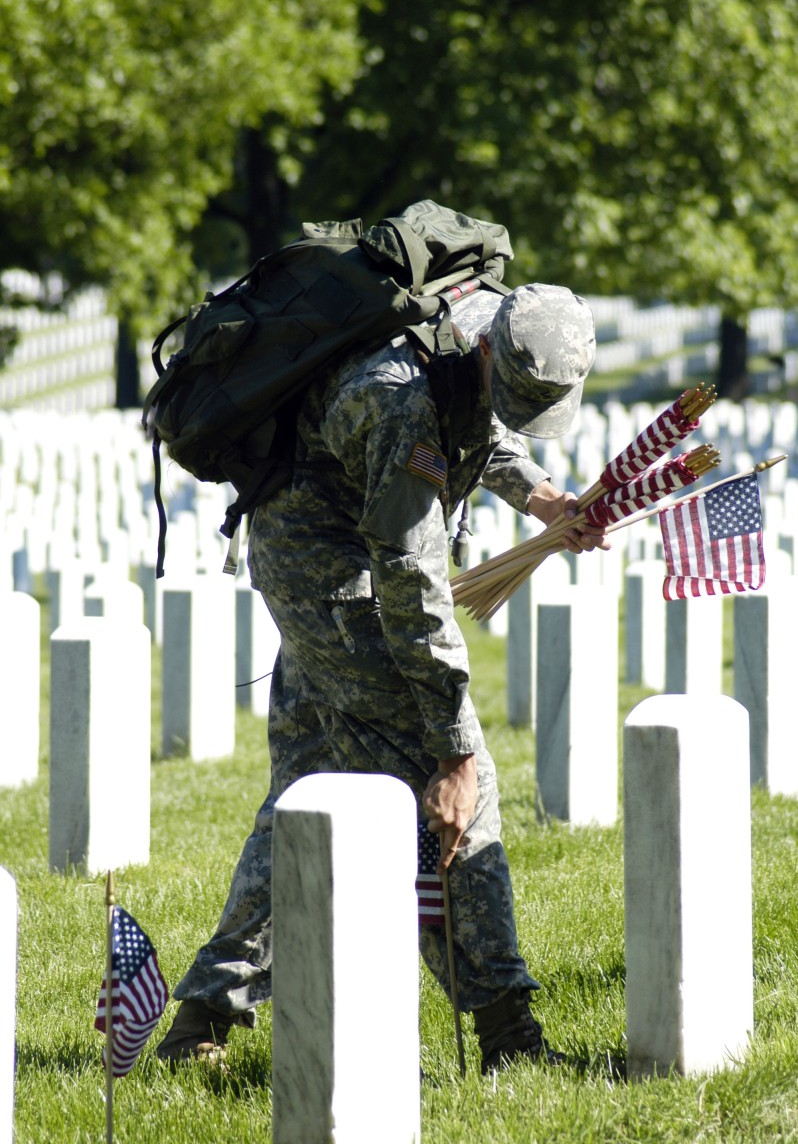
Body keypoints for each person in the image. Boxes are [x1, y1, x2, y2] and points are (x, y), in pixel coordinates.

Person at [156, 279, 609, 1074]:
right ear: (488, 349)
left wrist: (539, 498)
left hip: (323, 555)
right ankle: (509, 1038)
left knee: (305, 794)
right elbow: (412, 584)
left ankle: (200, 1019)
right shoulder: (395, 401)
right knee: (462, 795)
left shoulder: (470, 328)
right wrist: (454, 750)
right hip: (328, 574)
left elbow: (481, 427)